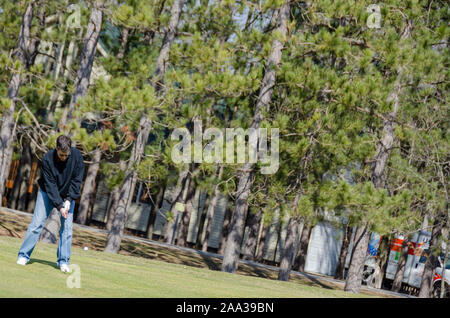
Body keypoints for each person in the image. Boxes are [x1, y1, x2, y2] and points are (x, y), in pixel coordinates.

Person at [16, 135, 84, 272]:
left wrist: (69, 200)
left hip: (67, 196)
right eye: (61, 154)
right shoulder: (48, 159)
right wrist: (60, 206)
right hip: (47, 192)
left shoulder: (77, 157)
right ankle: (23, 255)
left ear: (70, 150)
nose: (64, 157)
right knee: (36, 224)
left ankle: (63, 261)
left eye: (66, 155)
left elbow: (77, 180)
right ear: (56, 148)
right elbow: (51, 185)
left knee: (67, 229)